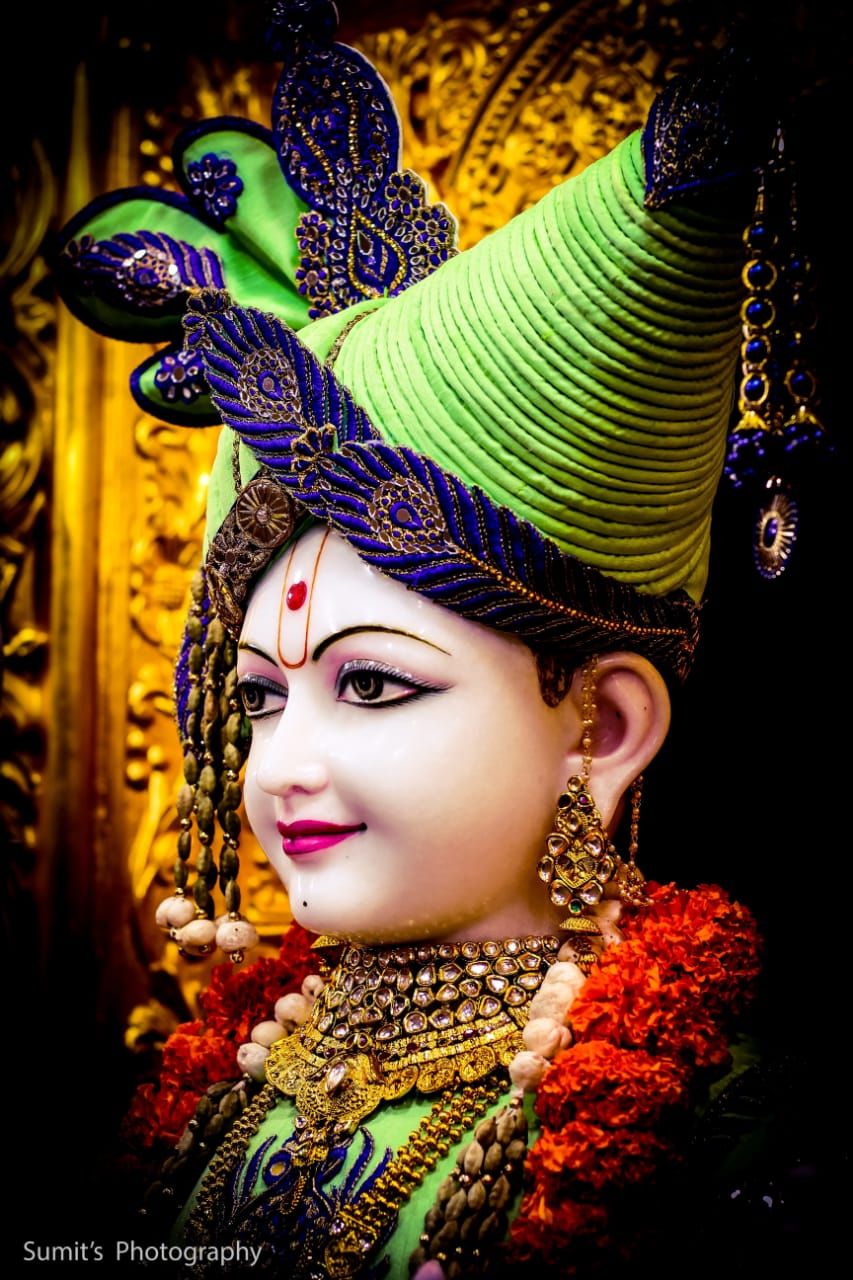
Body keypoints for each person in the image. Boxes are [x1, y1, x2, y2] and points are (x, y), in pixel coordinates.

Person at [55, 5, 815, 1276]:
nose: (282, 763)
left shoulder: (723, 1132)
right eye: (257, 698)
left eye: (368, 681)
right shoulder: (232, 1071)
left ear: (605, 725)